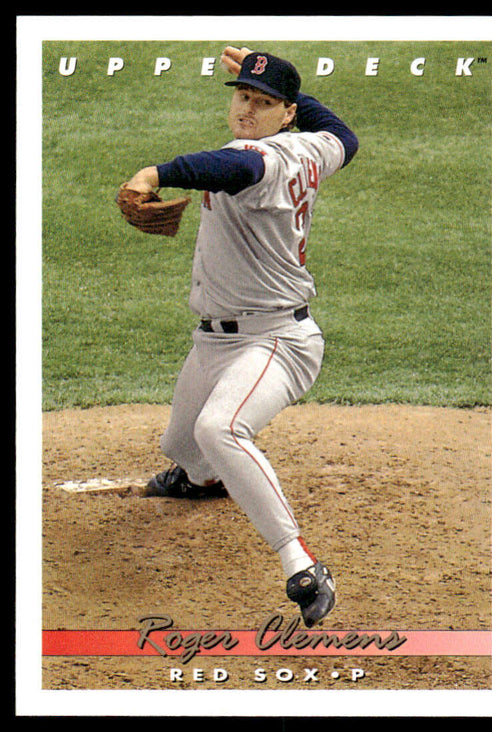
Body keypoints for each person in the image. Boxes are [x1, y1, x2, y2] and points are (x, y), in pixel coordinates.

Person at [123, 47, 358, 627]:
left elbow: (230, 169)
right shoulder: (311, 146)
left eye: (264, 102)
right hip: (217, 343)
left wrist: (153, 174)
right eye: (241, 96)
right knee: (183, 449)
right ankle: (202, 481)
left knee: (220, 427)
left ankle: (301, 563)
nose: (247, 109)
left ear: (286, 114)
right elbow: (344, 135)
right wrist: (287, 90)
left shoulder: (260, 159)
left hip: (277, 341)